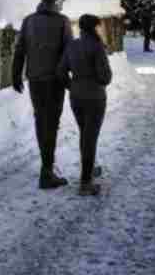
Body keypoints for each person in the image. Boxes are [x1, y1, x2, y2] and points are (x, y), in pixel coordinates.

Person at [12, 0, 73, 189]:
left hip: (35, 80)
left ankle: (46, 167)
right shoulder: (62, 22)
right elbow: (69, 53)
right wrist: (72, 80)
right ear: (55, 1)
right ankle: (47, 171)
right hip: (55, 81)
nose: (62, 3)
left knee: (41, 121)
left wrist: (15, 75)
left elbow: (20, 50)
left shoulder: (29, 21)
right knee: (52, 123)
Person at [58, 14, 113, 196]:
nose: (100, 29)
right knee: (90, 138)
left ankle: (89, 170)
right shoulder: (97, 46)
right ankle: (85, 183)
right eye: (98, 26)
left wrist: (73, 86)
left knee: (85, 134)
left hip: (76, 97)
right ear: (93, 28)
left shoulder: (72, 45)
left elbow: (61, 72)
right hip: (95, 98)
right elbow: (105, 77)